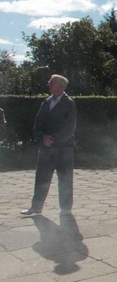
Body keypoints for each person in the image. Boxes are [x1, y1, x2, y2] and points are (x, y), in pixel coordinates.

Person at [21, 74, 77, 217]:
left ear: (60, 86)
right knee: (41, 177)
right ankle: (36, 207)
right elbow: (38, 123)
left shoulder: (69, 103)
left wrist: (54, 139)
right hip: (45, 147)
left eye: (51, 82)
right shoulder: (46, 102)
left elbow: (69, 127)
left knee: (65, 178)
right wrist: (42, 137)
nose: (48, 84)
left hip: (63, 148)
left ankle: (65, 209)